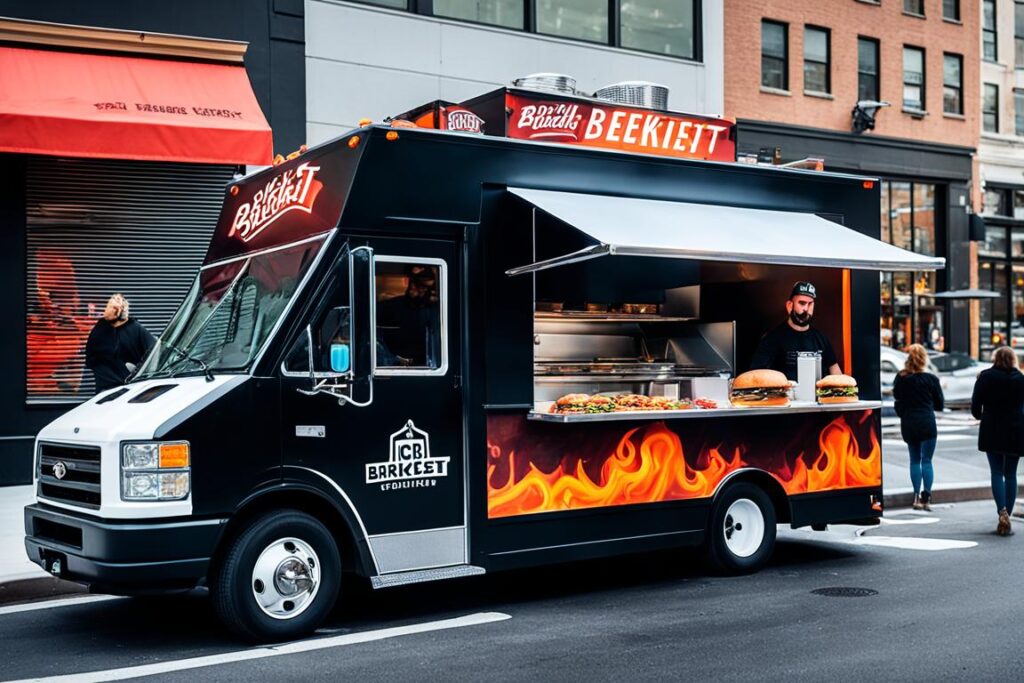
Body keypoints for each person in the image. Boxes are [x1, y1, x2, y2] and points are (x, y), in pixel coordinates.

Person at [970, 346, 1024, 536]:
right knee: (1010, 473)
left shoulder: (985, 377)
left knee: (996, 471)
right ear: (1013, 359)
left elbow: (975, 408)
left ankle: (1001, 512)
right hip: (1016, 431)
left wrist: (982, 415)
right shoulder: (1021, 379)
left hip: (992, 429)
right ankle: (1008, 514)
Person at [749, 281, 842, 381]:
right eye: (802, 303)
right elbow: (756, 376)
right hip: (784, 395)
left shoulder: (821, 339)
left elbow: (836, 374)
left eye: (810, 304)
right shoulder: (772, 339)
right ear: (789, 305)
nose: (806, 308)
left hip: (817, 396)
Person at [892, 344, 944, 511]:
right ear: (924, 359)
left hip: (909, 422)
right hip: (927, 422)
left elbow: (897, 400)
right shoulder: (931, 379)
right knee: (926, 460)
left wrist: (904, 414)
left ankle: (915, 497)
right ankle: (927, 498)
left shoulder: (900, 378)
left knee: (914, 460)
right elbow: (940, 404)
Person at [84, 293, 155, 393]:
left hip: (130, 389)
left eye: (110, 306)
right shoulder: (100, 329)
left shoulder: (135, 329)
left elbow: (154, 351)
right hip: (104, 390)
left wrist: (137, 371)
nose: (106, 309)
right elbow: (90, 358)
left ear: (119, 311)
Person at [376, 265, 440, 367]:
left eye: (423, 287)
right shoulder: (389, 307)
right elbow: (370, 336)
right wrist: (390, 360)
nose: (415, 289)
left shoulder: (438, 311)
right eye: (414, 282)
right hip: (394, 367)